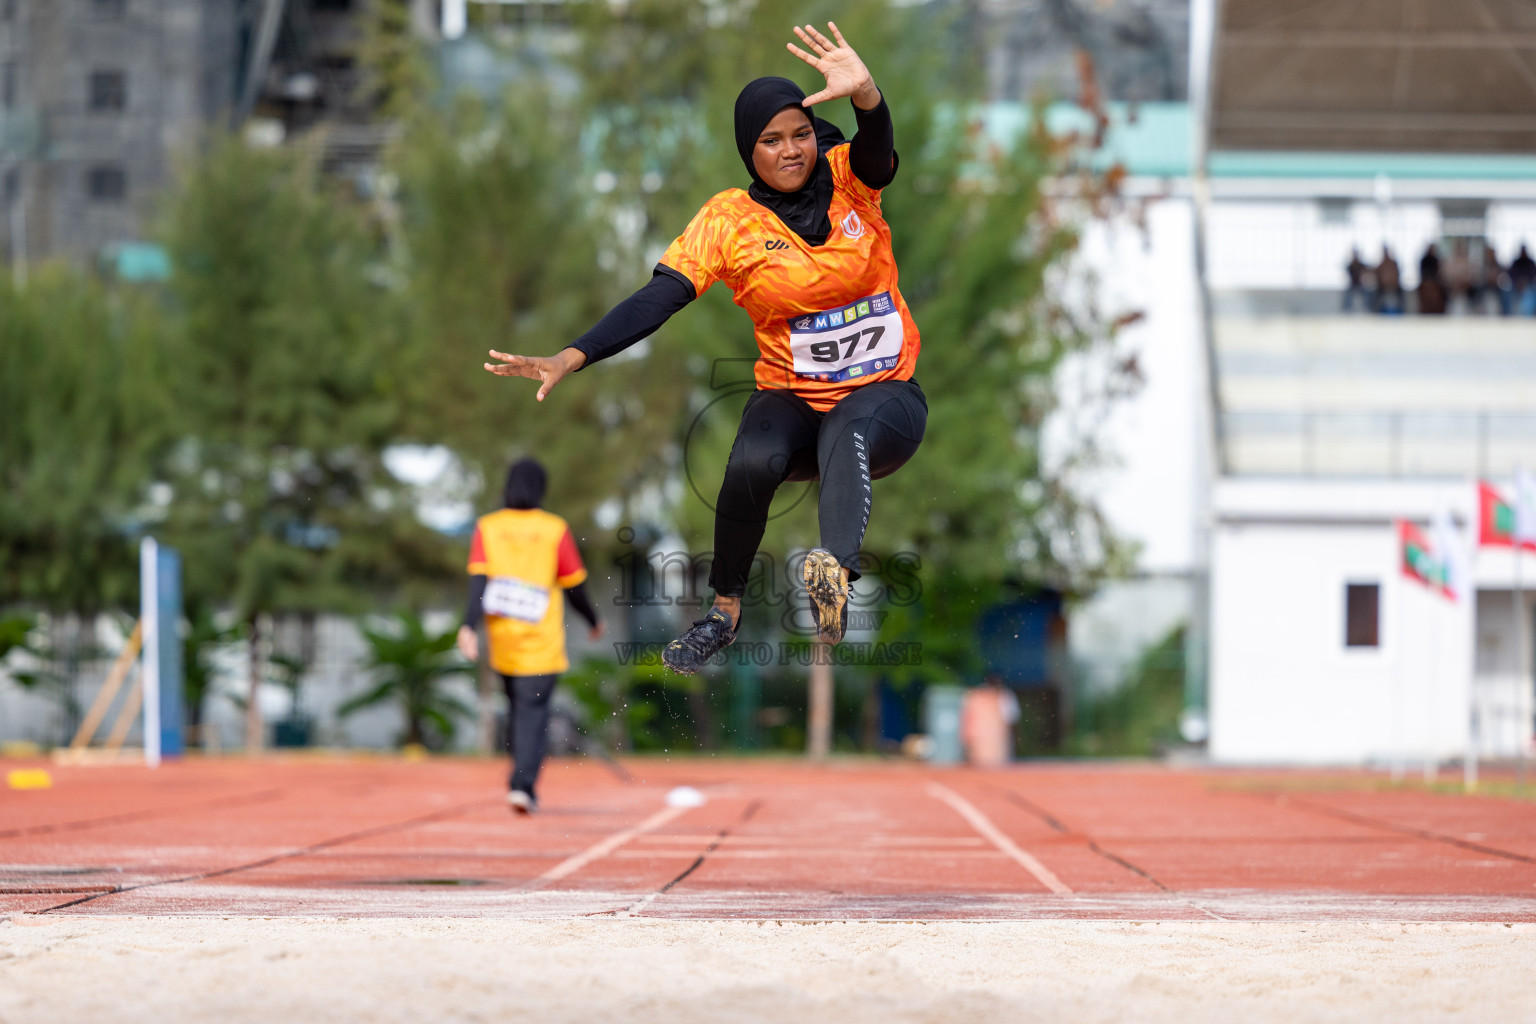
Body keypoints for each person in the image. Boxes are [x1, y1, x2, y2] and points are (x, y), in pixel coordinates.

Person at [482, 23, 926, 675]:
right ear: (750, 151)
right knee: (750, 460)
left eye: (800, 132)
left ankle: (833, 570)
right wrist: (570, 356)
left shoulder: (851, 178)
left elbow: (879, 150)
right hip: (796, 400)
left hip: (885, 403)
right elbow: (657, 298)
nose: (791, 149)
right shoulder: (727, 221)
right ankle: (723, 614)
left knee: (848, 433)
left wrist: (866, 95)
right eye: (771, 140)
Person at [456, 459, 604, 814]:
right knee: (533, 714)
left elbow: (479, 581)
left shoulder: (488, 527)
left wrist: (468, 626)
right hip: (541, 641)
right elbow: (574, 586)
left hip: (503, 640)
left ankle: (518, 779)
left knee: (517, 710)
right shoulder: (554, 529)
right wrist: (592, 620)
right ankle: (523, 784)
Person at [1417, 242, 1445, 315]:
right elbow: (1422, 272)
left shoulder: (1436, 260)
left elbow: (1438, 272)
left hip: (1435, 281)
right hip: (1425, 281)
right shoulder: (1424, 260)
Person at [1374, 246, 1403, 314]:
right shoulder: (1380, 265)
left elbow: (1397, 275)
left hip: (1395, 287)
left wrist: (1392, 284)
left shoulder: (1393, 263)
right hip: (1383, 289)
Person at [1342, 247, 1373, 313]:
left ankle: (1368, 309)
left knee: (1368, 294)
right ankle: (1347, 310)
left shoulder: (1362, 265)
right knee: (1347, 294)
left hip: (1361, 286)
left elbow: (1369, 270)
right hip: (1352, 286)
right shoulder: (1350, 265)